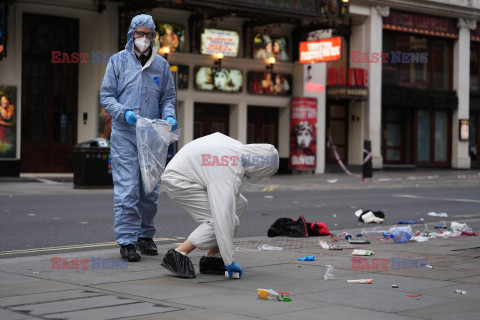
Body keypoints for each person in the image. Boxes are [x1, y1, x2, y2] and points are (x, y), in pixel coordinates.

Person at [100, 14, 178, 262]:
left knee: (150, 190)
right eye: (139, 34)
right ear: (131, 35)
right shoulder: (117, 62)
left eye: (148, 35)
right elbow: (107, 96)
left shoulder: (162, 66)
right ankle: (127, 240)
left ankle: (145, 235)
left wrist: (169, 115)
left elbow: (168, 98)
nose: (143, 39)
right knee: (128, 190)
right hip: (125, 134)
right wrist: (124, 113)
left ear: (154, 37)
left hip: (153, 135)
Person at [160, 133, 279, 278]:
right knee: (220, 219)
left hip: (188, 172)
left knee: (240, 204)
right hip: (180, 180)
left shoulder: (238, 149)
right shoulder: (228, 169)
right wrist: (229, 260)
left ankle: (212, 257)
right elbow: (223, 216)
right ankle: (177, 254)